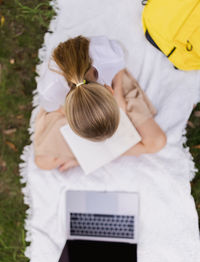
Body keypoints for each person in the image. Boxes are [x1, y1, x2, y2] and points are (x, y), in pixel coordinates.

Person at [34, 35, 167, 172]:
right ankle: (92, 156)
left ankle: (86, 158)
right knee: (43, 162)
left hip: (115, 87)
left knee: (157, 142)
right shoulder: (49, 89)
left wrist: (119, 93)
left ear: (110, 91)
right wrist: (72, 112)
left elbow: (119, 65)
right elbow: (56, 110)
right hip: (75, 109)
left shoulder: (108, 54)